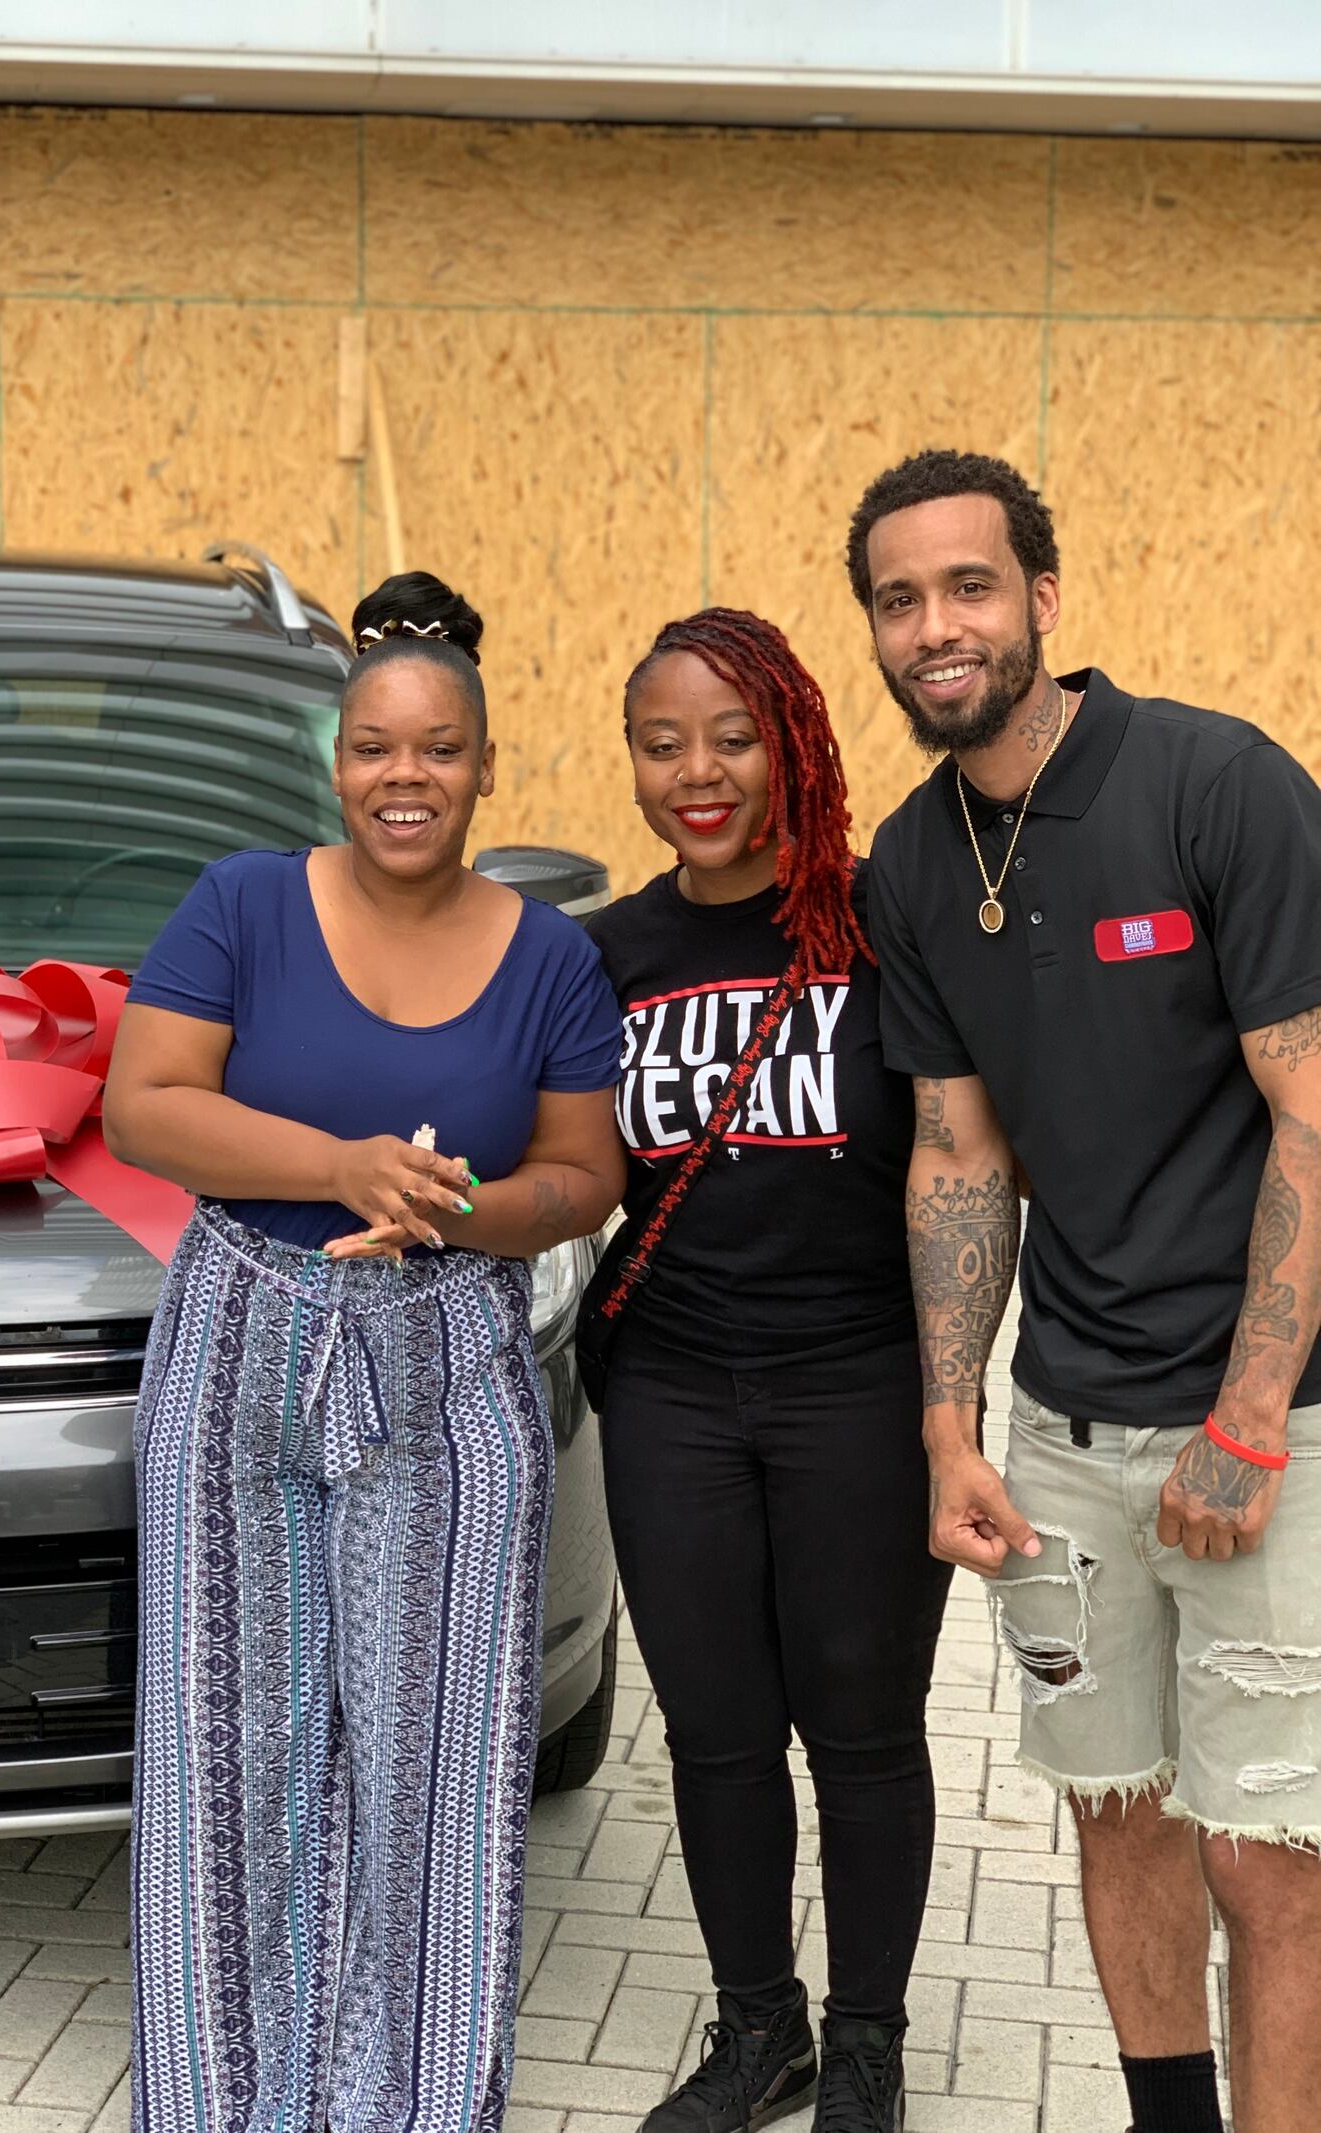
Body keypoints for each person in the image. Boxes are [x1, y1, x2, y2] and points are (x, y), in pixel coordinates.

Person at [104, 571, 625, 2133]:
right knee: (231, 1745)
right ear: (336, 763)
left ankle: (415, 2102)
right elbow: (144, 1106)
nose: (408, 776)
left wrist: (460, 1207)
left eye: (440, 749)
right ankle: (229, 2101)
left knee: (435, 1752)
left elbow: (585, 1174)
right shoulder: (242, 905)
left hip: (449, 1350)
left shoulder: (549, 958)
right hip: (241, 1338)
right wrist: (342, 1165)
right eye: (377, 748)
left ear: (486, 766)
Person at [853, 448, 1321, 2133]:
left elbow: (1314, 1111)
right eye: (899, 600)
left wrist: (1248, 1417)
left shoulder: (1217, 785)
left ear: (1042, 598)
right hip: (1062, 1433)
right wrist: (950, 1428)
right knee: (1118, 1808)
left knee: (1267, 1855)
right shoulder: (911, 863)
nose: (936, 626)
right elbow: (958, 1155)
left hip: (1272, 1430)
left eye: (969, 586)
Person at [584, 608, 953, 2133]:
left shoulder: (878, 924)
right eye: (663, 743)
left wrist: (957, 1404)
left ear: (794, 741)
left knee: (863, 1731)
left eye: (733, 737)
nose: (699, 771)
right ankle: (760, 2032)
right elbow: (564, 1161)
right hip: (671, 1391)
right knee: (716, 1731)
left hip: (856, 1383)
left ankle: (865, 2043)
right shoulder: (608, 952)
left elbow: (959, 1149)